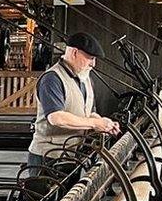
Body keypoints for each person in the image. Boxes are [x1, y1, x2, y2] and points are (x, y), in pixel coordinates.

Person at [28, 32, 121, 170]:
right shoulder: (52, 79)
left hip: (72, 155)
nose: (93, 64)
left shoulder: (85, 79)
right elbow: (56, 118)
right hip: (48, 157)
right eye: (90, 58)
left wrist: (104, 123)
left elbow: (90, 113)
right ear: (75, 53)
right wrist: (95, 123)